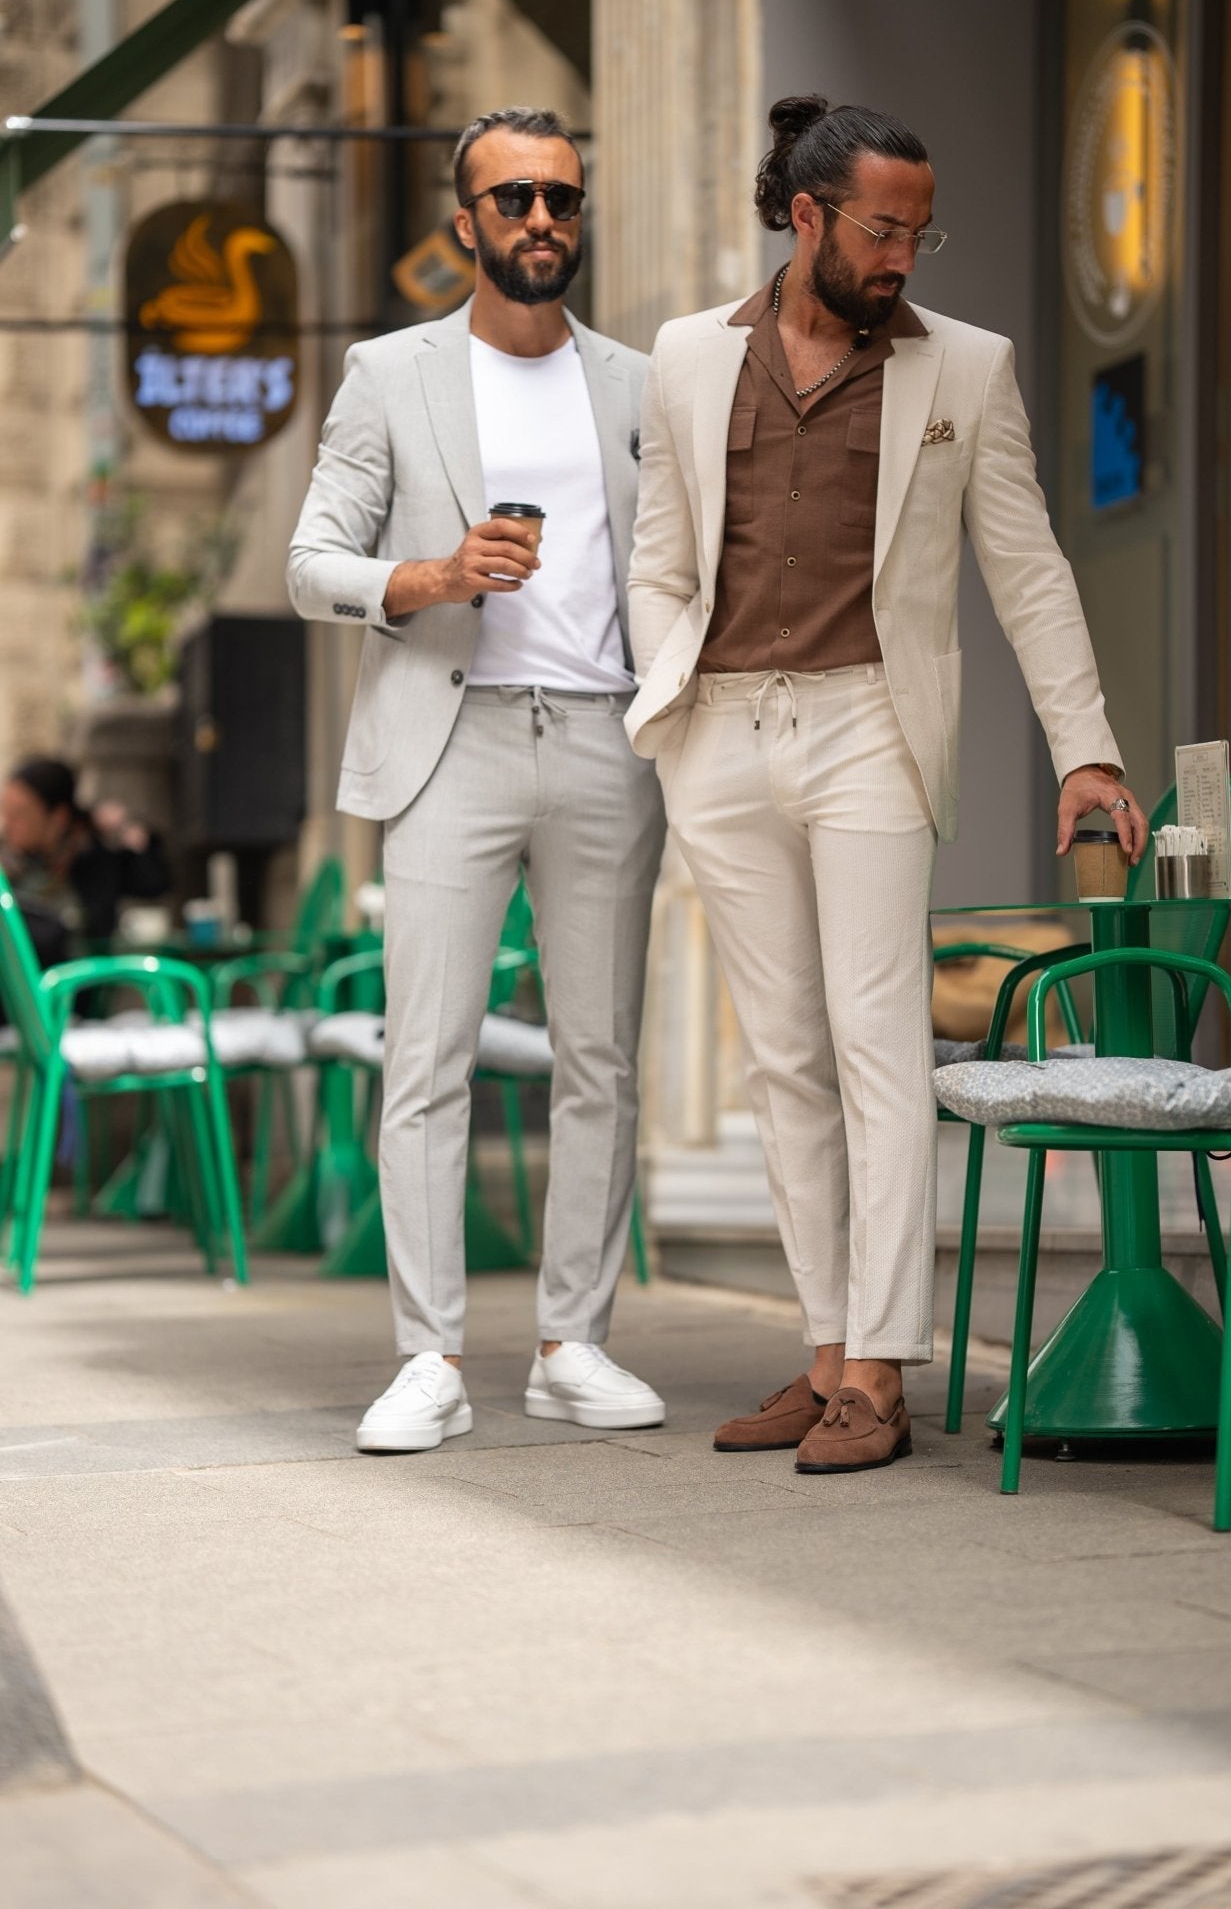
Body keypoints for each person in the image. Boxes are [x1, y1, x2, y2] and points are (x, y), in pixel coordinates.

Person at [626, 95, 1148, 1475]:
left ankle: (882, 1370)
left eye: (922, 230)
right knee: (784, 1055)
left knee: (875, 1047)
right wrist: (662, 697)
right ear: (805, 216)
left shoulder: (965, 370)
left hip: (870, 724)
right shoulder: (685, 356)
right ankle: (819, 1348)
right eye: (881, 227)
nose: (906, 254)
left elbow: (1027, 571)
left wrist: (1084, 745)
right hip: (721, 730)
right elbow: (659, 553)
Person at [287, 105, 668, 1454]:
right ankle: (429, 1355)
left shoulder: (635, 381)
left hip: (607, 741)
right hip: (449, 739)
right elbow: (310, 560)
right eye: (513, 200)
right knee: (428, 1058)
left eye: (561, 198)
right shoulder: (390, 372)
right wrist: (439, 576)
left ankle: (574, 1343)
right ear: (466, 222)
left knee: (601, 1062)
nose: (541, 221)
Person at [0, 756, 170, 967]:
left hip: (76, 984)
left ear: (57, 817)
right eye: (6, 813)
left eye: (21, 814)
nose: (9, 825)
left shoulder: (96, 858)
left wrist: (130, 830)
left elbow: (155, 882)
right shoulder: (9, 864)